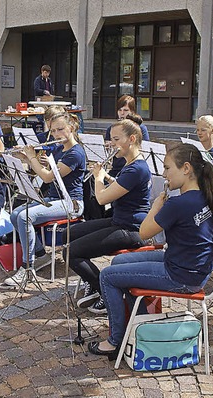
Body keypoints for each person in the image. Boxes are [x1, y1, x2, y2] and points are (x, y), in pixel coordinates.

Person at [89, 143, 213, 358]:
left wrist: (155, 208)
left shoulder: (179, 203)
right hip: (192, 267)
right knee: (118, 264)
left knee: (107, 276)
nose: (164, 174)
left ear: (186, 169)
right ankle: (141, 322)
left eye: (168, 168)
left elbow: (143, 233)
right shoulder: (204, 195)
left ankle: (116, 341)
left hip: (181, 275)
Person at [66, 119, 151, 314]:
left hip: (132, 228)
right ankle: (93, 280)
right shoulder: (131, 164)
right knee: (70, 233)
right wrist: (106, 177)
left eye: (115, 139)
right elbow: (122, 187)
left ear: (131, 139)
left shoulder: (136, 168)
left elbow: (102, 199)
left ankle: (104, 290)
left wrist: (97, 176)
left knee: (71, 252)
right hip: (119, 220)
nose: (111, 144)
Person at [5, 112, 86, 286]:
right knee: (14, 215)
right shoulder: (58, 148)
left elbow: (49, 177)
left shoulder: (76, 153)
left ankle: (28, 267)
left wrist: (32, 157)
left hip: (71, 202)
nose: (56, 134)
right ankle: (41, 254)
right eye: (53, 130)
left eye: (61, 129)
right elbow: (41, 171)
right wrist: (25, 158)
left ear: (71, 128)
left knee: (24, 216)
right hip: (54, 197)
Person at [104, 95, 150, 179]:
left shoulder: (140, 128)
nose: (122, 113)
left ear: (132, 111)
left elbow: (144, 149)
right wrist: (108, 147)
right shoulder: (112, 128)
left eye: (125, 110)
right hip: (116, 169)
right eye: (119, 110)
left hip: (132, 168)